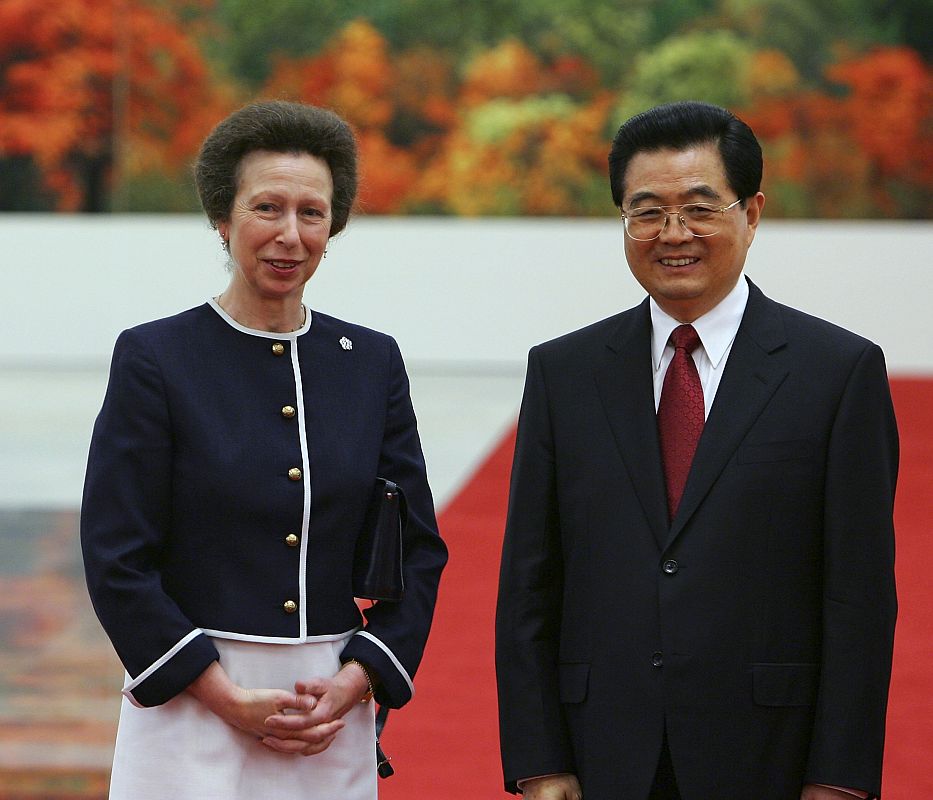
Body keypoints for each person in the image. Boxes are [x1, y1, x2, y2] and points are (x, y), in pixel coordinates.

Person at [495, 101, 897, 800]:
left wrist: (838, 778)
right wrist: (538, 761)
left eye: (699, 208)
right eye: (645, 211)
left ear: (751, 214)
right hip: (603, 754)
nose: (671, 233)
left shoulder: (835, 372)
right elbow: (529, 584)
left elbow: (857, 598)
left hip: (766, 754)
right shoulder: (564, 373)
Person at [81, 100, 448, 799]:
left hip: (324, 713)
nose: (289, 235)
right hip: (190, 706)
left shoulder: (369, 362)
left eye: (312, 213)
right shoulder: (156, 357)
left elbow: (419, 551)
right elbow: (116, 554)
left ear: (332, 225)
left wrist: (359, 676)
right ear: (223, 219)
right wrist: (220, 694)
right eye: (267, 208)